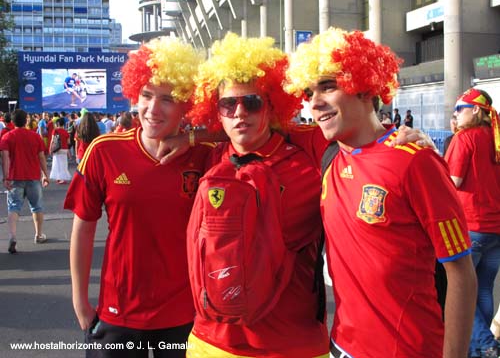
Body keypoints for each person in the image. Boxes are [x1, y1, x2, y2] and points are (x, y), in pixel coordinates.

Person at [285, 27, 477, 358]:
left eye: (328, 87)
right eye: (308, 92)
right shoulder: (327, 152)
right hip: (340, 346)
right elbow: (247, 129)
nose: (314, 102)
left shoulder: (416, 162)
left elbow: (461, 272)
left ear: (364, 88)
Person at [184, 32, 329, 358]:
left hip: (293, 345)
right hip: (211, 343)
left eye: (252, 102)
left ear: (272, 105)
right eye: (227, 103)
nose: (239, 113)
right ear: (215, 110)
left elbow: (360, 137)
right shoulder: (208, 156)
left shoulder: (310, 150)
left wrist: (396, 134)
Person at [64, 36, 210, 358]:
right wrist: (79, 301)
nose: (153, 109)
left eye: (168, 99)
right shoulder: (104, 151)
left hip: (184, 315)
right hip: (118, 312)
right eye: (146, 95)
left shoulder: (205, 154)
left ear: (188, 103)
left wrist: (194, 136)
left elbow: (261, 130)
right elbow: (83, 228)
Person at [444, 88, 500, 358]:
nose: (455, 114)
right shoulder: (497, 138)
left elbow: (451, 183)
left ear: (476, 110)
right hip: (496, 227)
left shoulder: (465, 139)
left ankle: (485, 343)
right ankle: (478, 346)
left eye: (460, 109)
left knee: (460, 289)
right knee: (484, 288)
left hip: (469, 225)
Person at [1, 109, 49, 254]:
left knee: (14, 207)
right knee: (37, 207)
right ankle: (39, 234)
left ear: (12, 121)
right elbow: (41, 157)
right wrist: (45, 174)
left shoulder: (7, 137)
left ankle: (13, 236)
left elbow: (5, 158)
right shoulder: (35, 137)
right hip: (33, 176)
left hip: (15, 177)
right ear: (26, 120)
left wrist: (6, 176)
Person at [49, 117, 72, 184]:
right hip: (64, 150)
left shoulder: (55, 131)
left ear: (57, 124)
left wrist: (50, 148)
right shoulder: (66, 132)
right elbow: (68, 142)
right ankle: (62, 178)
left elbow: (52, 141)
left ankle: (59, 178)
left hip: (57, 149)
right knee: (63, 164)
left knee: (56, 164)